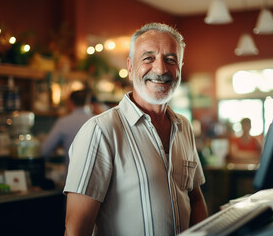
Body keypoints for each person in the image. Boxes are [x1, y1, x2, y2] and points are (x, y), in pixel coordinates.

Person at [63, 22, 208, 236]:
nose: (160, 69)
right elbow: (76, 230)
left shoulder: (183, 126)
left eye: (170, 59)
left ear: (180, 68)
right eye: (148, 58)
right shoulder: (100, 131)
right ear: (130, 68)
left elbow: (194, 198)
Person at [40, 89, 93, 167]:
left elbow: (44, 151)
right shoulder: (99, 121)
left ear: (70, 102)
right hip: (99, 176)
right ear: (88, 102)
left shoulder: (64, 122)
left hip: (73, 176)